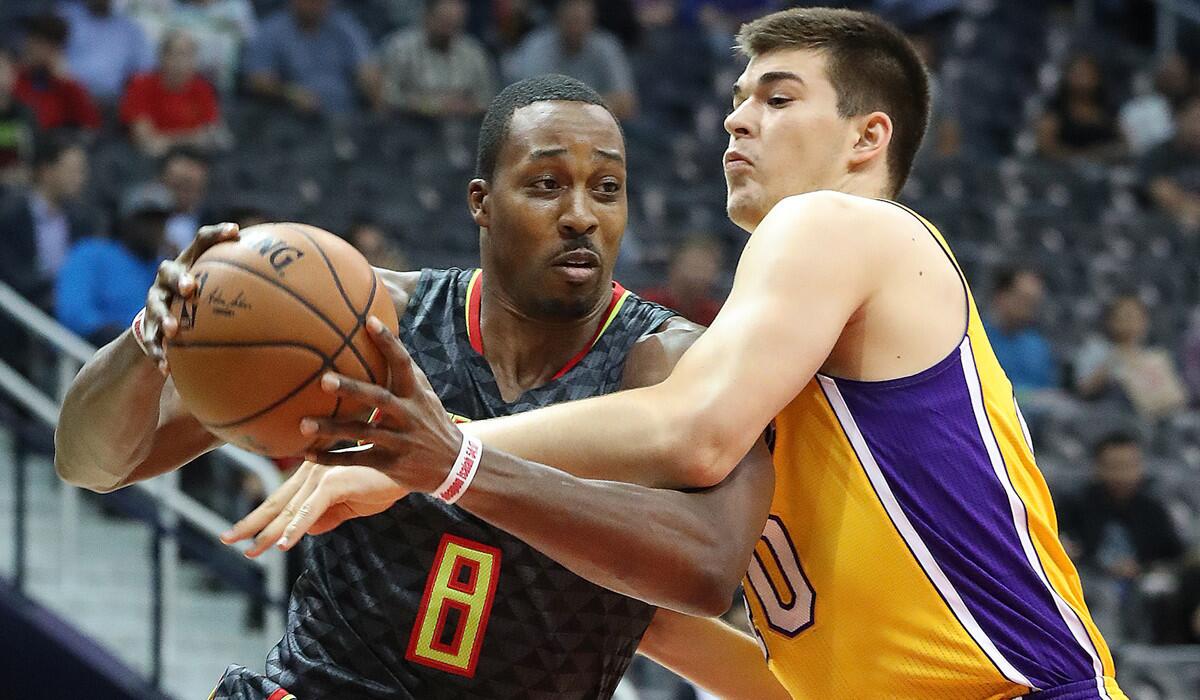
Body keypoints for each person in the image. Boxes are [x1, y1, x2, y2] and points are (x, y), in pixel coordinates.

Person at [266, 9, 1129, 699]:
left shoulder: (839, 222)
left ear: (866, 140)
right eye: (739, 98)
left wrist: (442, 455)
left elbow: (693, 432)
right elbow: (767, 672)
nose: (737, 118)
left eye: (778, 98)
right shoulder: (775, 353)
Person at [54, 75, 785, 700]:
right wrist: (148, 346)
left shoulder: (669, 363)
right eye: (546, 184)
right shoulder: (365, 321)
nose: (581, 215)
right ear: (481, 201)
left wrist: (458, 467)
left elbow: (709, 569)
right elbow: (92, 463)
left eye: (608, 188)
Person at [56, 183, 170, 345]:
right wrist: (124, 338)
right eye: (145, 220)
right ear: (125, 221)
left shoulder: (165, 268)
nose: (153, 229)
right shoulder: (92, 253)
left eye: (160, 221)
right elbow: (74, 313)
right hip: (100, 355)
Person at [242, 0, 380, 117]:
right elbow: (257, 79)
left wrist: (372, 86)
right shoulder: (271, 31)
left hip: (344, 116)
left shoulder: (343, 26)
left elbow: (366, 68)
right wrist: (289, 93)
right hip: (292, 120)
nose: (317, 4)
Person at [504, 0, 636, 120]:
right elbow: (530, 102)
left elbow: (626, 104)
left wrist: (570, 108)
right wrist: (594, 105)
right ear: (558, 19)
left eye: (581, 20)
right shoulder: (537, 46)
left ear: (592, 21)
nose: (576, 27)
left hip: (597, 125)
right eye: (571, 20)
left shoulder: (606, 46)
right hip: (547, 124)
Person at [1074, 294, 1187, 419]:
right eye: (1126, 315)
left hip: (1150, 418)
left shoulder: (1153, 357)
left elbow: (1175, 398)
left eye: (1137, 316)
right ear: (1110, 320)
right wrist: (1114, 361)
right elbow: (1084, 390)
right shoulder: (1095, 349)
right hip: (1108, 415)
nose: (1131, 321)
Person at [377, 0, 495, 118]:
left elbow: (487, 100)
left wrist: (466, 106)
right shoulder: (401, 48)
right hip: (412, 125)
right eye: (443, 22)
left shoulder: (474, 52)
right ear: (427, 17)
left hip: (463, 126)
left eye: (454, 24)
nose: (448, 30)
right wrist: (429, 106)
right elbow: (388, 97)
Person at [120, 29, 222, 157]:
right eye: (177, 54)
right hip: (150, 160)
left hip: (195, 159)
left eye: (189, 55)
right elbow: (146, 141)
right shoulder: (141, 85)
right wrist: (193, 138)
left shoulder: (203, 88)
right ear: (162, 57)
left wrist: (167, 140)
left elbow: (211, 136)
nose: (182, 62)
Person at [13, 13, 102, 131]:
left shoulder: (67, 84)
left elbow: (91, 125)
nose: (29, 46)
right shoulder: (14, 77)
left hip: (57, 144)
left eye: (38, 42)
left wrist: (66, 82)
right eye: (29, 39)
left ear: (54, 49)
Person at [59, 0, 155, 105]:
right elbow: (47, 54)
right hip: (67, 98)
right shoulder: (64, 17)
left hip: (111, 102)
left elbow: (145, 71)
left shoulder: (130, 30)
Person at [1036, 52, 1126, 162]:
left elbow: (1125, 143)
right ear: (1067, 77)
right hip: (1064, 170)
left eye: (1089, 74)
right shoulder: (1055, 110)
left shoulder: (1108, 110)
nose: (1084, 80)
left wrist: (1108, 153)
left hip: (1107, 168)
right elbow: (1047, 147)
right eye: (1078, 74)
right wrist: (1082, 157)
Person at [983, 266, 1057, 392]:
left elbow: (1049, 394)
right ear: (1001, 296)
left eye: (1034, 302)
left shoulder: (1039, 347)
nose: (1028, 308)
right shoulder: (976, 339)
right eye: (1023, 299)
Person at [639, 235, 725, 326]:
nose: (699, 275)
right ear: (674, 267)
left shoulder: (715, 315)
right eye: (694, 266)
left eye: (706, 267)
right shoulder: (649, 304)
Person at [1143, 94, 1200, 229]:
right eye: (1196, 119)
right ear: (1179, 118)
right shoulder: (1156, 156)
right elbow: (1170, 200)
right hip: (1174, 229)